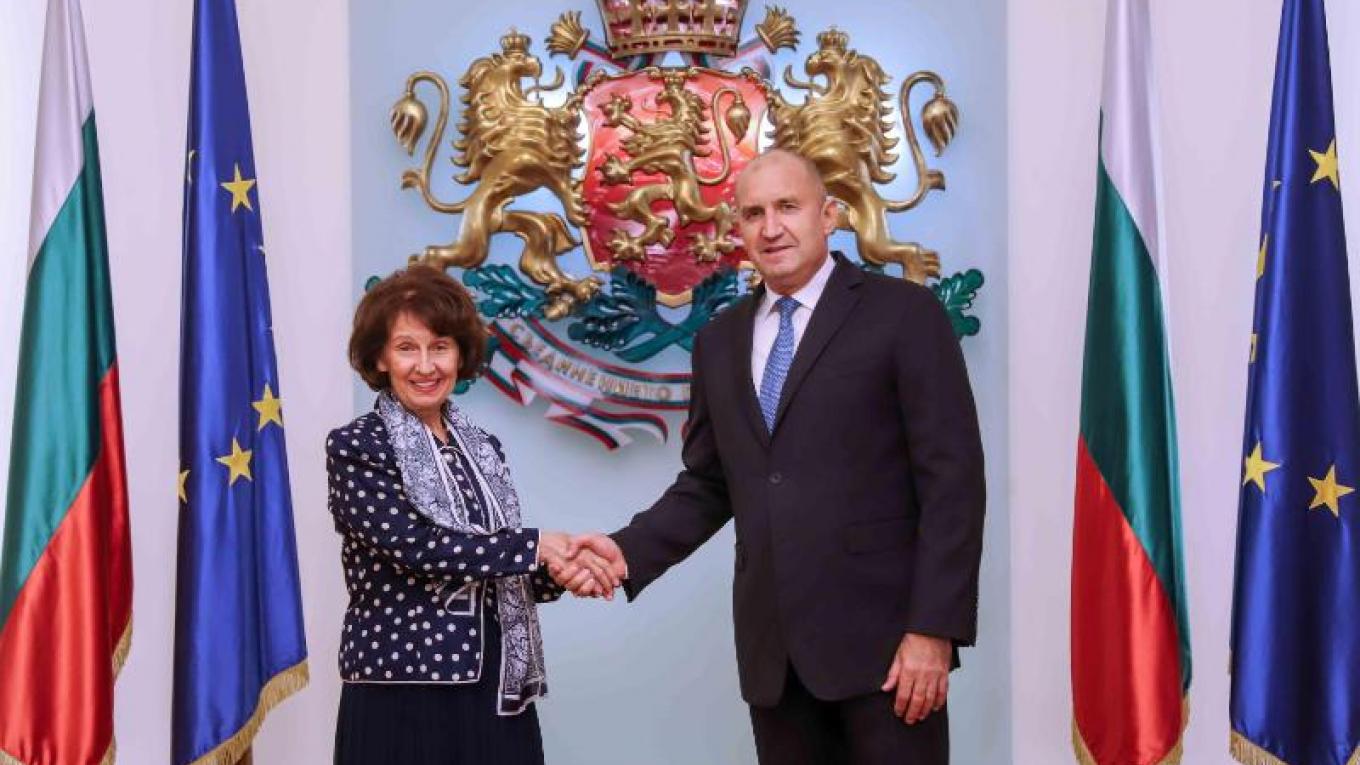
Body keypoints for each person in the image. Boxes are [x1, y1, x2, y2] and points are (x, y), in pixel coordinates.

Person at [568, 148, 986, 764]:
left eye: (788, 207)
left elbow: (953, 482)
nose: (771, 228)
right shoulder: (718, 341)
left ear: (828, 215)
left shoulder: (905, 314)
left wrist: (933, 629)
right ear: (737, 230)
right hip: (776, 660)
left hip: (890, 652)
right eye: (753, 213)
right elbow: (711, 482)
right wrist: (625, 552)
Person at [328, 265, 618, 765]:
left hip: (494, 686)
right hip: (401, 687)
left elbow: (492, 564)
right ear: (379, 357)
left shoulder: (483, 447)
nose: (425, 365)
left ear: (460, 355)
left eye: (440, 346)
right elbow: (417, 548)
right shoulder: (357, 446)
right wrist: (536, 546)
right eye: (407, 348)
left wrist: (563, 569)